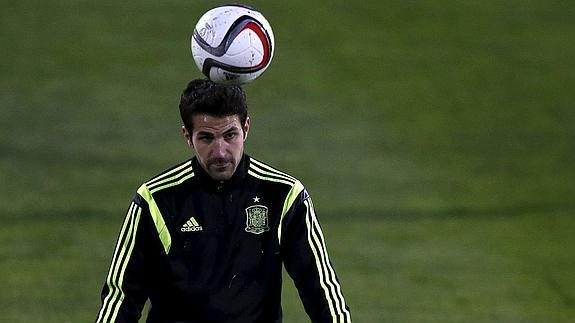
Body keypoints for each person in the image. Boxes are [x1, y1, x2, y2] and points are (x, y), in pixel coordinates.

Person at [96, 79, 352, 323]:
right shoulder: (157, 199)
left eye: (230, 135)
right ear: (188, 136)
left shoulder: (283, 194)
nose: (220, 152)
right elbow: (121, 297)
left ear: (246, 128)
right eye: (207, 138)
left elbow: (321, 290)